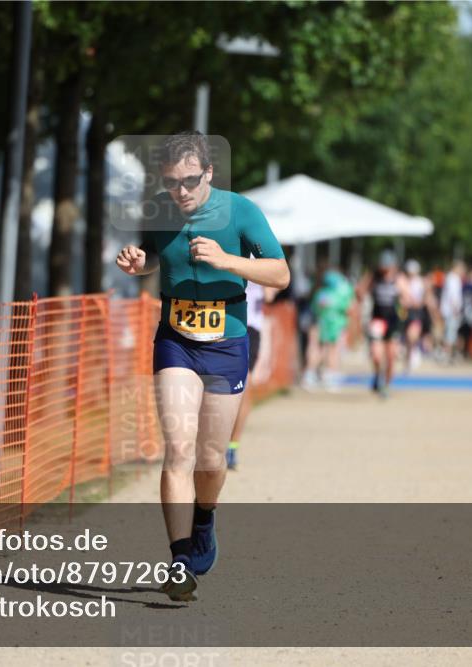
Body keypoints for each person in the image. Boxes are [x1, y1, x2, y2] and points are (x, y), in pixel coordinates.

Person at [115, 131, 289, 601]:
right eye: (171, 182)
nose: (181, 191)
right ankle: (178, 561)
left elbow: (280, 273)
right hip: (175, 340)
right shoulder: (159, 208)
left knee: (210, 459)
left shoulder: (241, 211)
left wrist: (227, 260)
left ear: (209, 173)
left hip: (226, 342)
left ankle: (205, 518)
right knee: (178, 448)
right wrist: (138, 263)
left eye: (190, 180)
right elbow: (154, 256)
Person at [226, 280, 273, 470]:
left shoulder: (263, 260)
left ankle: (232, 446)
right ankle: (214, 442)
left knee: (244, 384)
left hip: (249, 327)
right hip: (220, 323)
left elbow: (270, 295)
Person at [362, 250, 402, 397]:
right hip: (377, 320)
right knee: (377, 355)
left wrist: (403, 299)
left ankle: (386, 385)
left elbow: (408, 297)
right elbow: (360, 291)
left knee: (391, 356)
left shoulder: (398, 278)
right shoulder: (374, 277)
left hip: (393, 321)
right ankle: (378, 375)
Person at [312, 267, 354, 391]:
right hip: (335, 326)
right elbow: (348, 309)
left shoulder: (321, 294)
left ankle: (313, 374)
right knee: (333, 351)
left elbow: (316, 308)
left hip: (323, 324)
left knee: (321, 349)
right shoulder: (338, 294)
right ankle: (330, 376)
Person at [440, 260, 466, 363]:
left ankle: (447, 354)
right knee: (450, 333)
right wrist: (455, 309)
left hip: (449, 310)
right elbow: (453, 296)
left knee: (449, 333)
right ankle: (446, 354)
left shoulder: (451, 278)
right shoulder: (454, 279)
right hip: (452, 310)